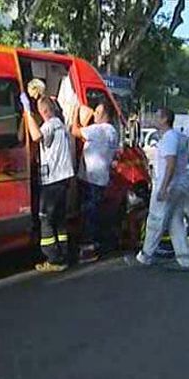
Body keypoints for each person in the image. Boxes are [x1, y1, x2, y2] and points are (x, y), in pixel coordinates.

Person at [124, 108, 189, 271]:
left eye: (157, 116)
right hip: (179, 186)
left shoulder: (169, 138)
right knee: (176, 223)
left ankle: (145, 256)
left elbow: (170, 163)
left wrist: (163, 187)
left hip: (168, 186)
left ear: (164, 120)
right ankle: (184, 259)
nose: (154, 119)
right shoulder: (179, 137)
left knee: (155, 221)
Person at [20, 94, 74, 272]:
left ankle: (53, 259)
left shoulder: (50, 125)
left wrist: (27, 112)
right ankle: (64, 256)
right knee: (59, 220)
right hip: (64, 179)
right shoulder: (61, 124)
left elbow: (35, 136)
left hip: (53, 181)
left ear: (43, 111)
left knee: (46, 218)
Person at [71, 101, 119, 263]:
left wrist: (75, 111)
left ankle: (89, 250)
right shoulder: (112, 131)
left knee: (89, 214)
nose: (94, 115)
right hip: (100, 178)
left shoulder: (98, 130)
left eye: (97, 113)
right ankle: (97, 244)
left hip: (91, 178)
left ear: (105, 115)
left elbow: (74, 131)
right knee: (95, 213)